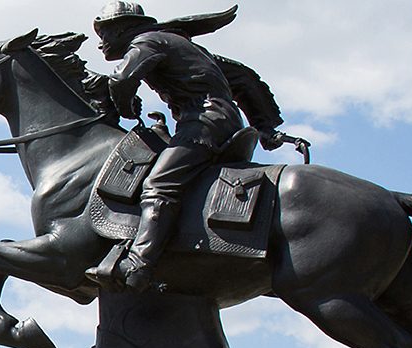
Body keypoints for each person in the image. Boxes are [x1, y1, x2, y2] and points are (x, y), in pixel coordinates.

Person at [87, 2, 290, 290]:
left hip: (202, 122)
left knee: (159, 185)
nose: (101, 43)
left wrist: (127, 107)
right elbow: (243, 79)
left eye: (104, 33)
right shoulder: (184, 46)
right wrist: (266, 126)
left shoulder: (148, 41)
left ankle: (139, 263)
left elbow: (121, 79)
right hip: (218, 120)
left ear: (124, 29)